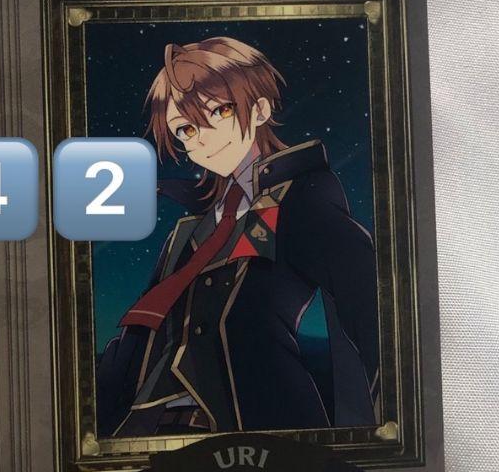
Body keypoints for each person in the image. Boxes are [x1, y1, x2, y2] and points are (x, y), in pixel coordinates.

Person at [99, 36, 379, 437]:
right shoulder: (186, 234)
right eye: (186, 129)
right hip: (153, 426)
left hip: (258, 426)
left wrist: (371, 431)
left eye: (219, 111)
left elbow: (372, 305)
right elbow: (139, 337)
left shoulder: (299, 197)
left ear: (260, 109)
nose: (202, 137)